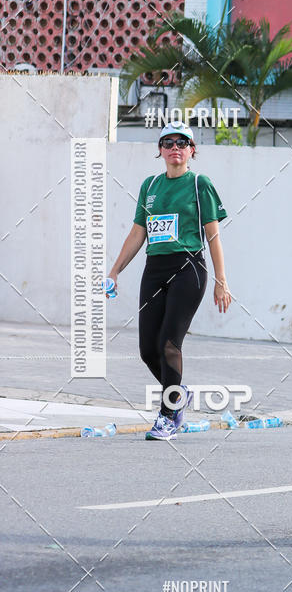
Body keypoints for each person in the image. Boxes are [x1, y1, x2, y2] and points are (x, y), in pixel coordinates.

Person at [107, 121, 231, 440]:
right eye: (168, 142)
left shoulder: (199, 183)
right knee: (148, 349)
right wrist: (115, 270)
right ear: (160, 150)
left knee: (169, 344)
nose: (175, 147)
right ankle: (177, 394)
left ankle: (168, 415)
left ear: (192, 150)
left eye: (182, 142)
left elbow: (213, 234)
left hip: (188, 267)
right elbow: (138, 232)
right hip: (155, 267)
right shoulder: (150, 186)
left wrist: (221, 280)